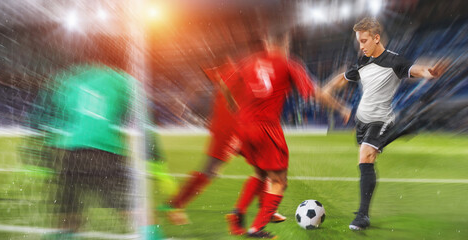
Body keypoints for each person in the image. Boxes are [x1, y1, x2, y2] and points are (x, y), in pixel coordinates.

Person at [322, 17, 450, 231]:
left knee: (367, 154)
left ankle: (362, 216)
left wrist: (430, 72)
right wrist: (332, 92)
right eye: (359, 42)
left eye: (364, 41)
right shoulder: (362, 62)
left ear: (376, 38)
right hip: (362, 121)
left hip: (381, 119)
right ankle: (405, 128)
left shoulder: (394, 61)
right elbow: (343, 78)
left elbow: (416, 70)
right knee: (364, 163)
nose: (360, 46)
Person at [35, 36, 164, 239]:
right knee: (135, 208)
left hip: (70, 154)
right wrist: (155, 156)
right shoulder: (122, 79)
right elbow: (144, 119)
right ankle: (152, 236)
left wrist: (44, 151)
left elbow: (45, 114)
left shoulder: (71, 78)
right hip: (104, 151)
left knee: (67, 217)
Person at [225, 33, 351, 239]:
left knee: (261, 174)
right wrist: (341, 108)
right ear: (285, 43)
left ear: (266, 42)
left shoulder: (248, 62)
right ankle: (256, 229)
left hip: (243, 125)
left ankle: (238, 213)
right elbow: (315, 93)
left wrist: (236, 110)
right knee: (279, 181)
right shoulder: (289, 64)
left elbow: (226, 85)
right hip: (265, 128)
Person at [163, 57, 287, 226]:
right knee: (210, 169)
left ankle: (267, 210)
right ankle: (174, 205)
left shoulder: (251, 69)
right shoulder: (234, 67)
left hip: (244, 126)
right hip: (228, 127)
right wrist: (184, 102)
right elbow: (210, 81)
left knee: (263, 166)